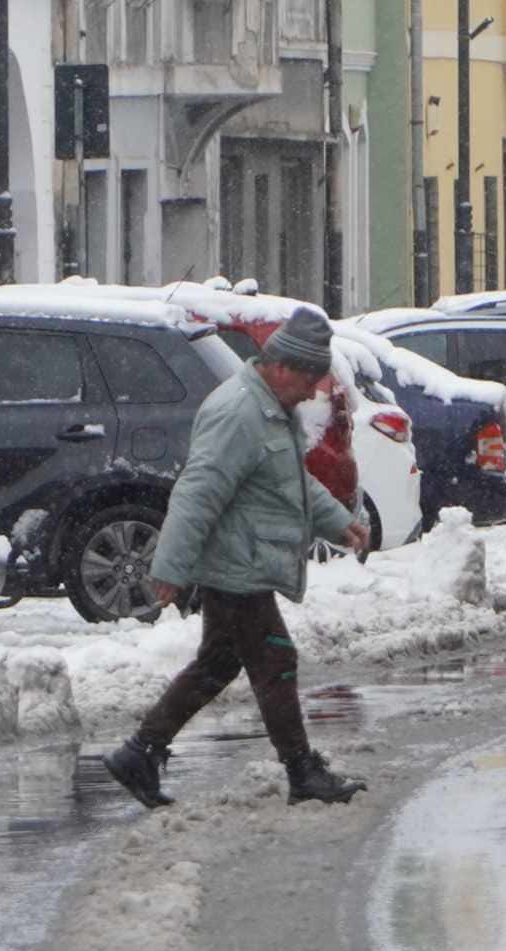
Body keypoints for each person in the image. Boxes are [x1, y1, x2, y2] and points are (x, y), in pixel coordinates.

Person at [103, 307, 371, 808]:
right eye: (311, 380)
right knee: (276, 660)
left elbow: (288, 483)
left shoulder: (271, 410)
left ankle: (139, 752)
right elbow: (197, 492)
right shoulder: (239, 414)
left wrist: (340, 522)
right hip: (235, 563)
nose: (314, 393)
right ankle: (301, 771)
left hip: (242, 558)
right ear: (284, 366)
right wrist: (171, 567)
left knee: (218, 663)